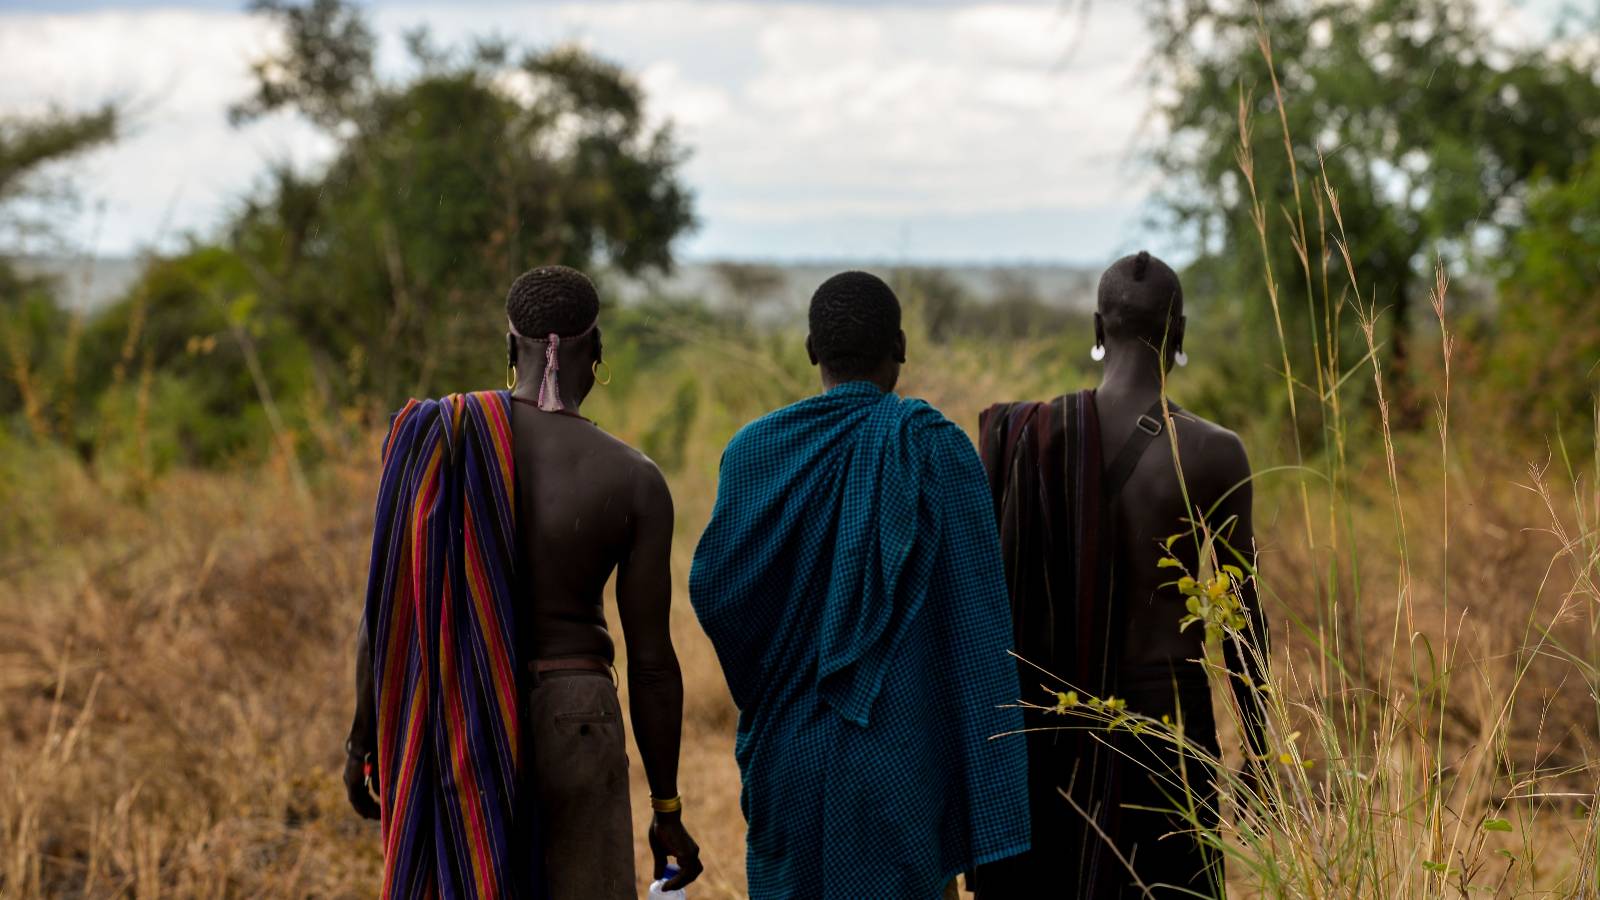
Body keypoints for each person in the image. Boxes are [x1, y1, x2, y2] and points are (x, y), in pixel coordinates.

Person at [342, 265, 702, 899]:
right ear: (598, 354)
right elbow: (652, 663)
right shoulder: (634, 478)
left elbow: (386, 609)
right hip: (577, 713)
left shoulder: (436, 442)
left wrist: (363, 741)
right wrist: (667, 808)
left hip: (458, 718)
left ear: (511, 349)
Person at [689, 271, 1031, 900]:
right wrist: (995, 812)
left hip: (784, 759)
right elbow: (980, 637)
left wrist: (778, 685)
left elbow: (719, 599)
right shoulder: (939, 450)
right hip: (900, 760)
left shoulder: (753, 451)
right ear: (900, 347)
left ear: (811, 351)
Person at [973, 251, 1268, 897]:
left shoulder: (1030, 438)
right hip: (1170, 731)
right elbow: (1244, 618)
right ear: (1179, 333)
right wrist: (1261, 749)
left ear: (1098, 330)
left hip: (1052, 732)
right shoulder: (1216, 452)